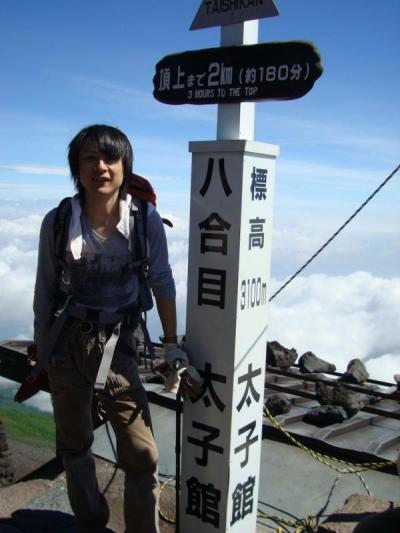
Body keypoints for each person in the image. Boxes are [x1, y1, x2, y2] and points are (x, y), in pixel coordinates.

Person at [33, 124, 192, 533]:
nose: (100, 167)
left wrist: (171, 344)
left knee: (142, 454)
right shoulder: (58, 222)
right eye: (89, 158)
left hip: (118, 347)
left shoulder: (144, 219)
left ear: (125, 166)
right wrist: (43, 351)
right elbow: (45, 289)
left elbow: (162, 280)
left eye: (110, 158)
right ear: (76, 167)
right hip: (67, 343)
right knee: (74, 444)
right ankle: (91, 522)